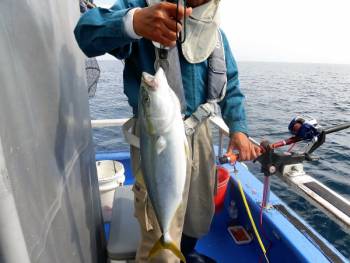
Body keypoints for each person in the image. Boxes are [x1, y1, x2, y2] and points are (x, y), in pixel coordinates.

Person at [74, 0, 262, 262]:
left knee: (197, 215)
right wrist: (134, 22)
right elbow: (85, 33)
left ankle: (185, 252)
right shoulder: (140, 7)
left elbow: (230, 86)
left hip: (201, 134)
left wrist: (238, 130)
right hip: (155, 134)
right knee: (159, 242)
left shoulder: (215, 33)